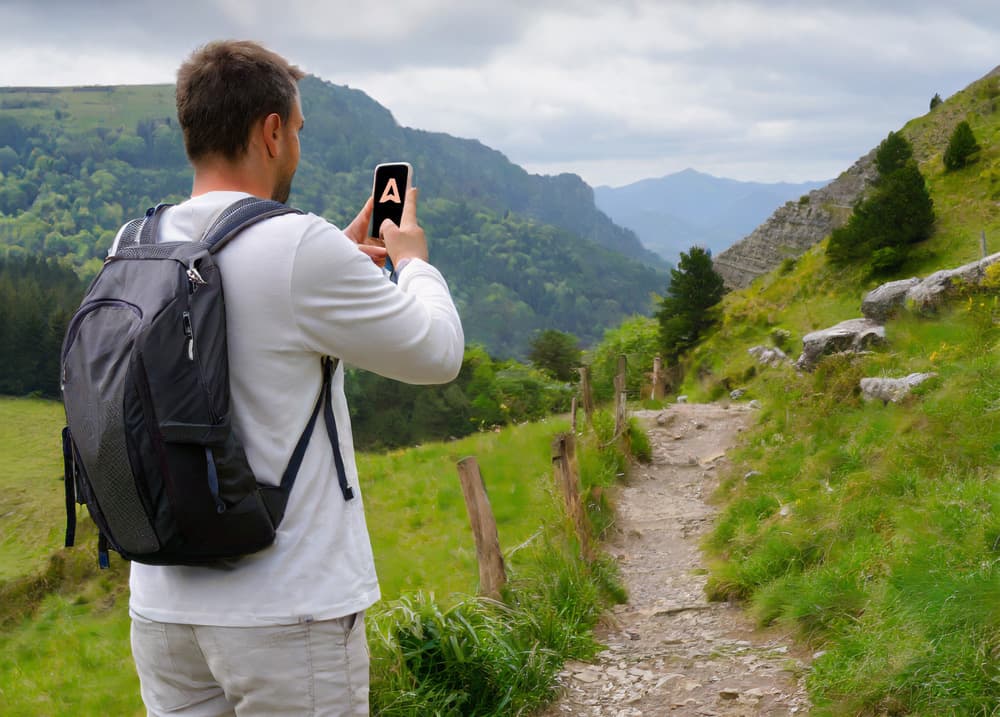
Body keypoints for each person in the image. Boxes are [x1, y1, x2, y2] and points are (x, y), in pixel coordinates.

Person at [126, 40, 464, 716]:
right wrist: (413, 261)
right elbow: (437, 353)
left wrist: (331, 263)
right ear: (272, 131)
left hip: (162, 608)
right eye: (299, 130)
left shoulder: (136, 240)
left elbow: (241, 311)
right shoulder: (297, 246)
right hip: (286, 609)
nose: (297, 146)